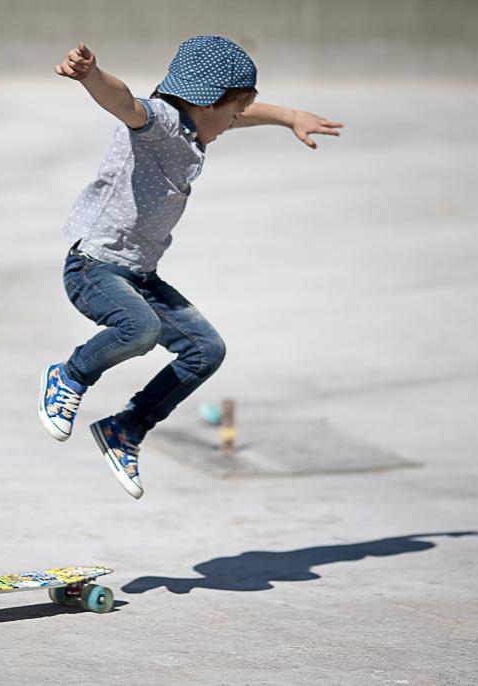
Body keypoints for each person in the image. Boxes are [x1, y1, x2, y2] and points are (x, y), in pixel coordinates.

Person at [38, 35, 343, 499]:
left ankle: (127, 427)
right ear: (206, 104)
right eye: (235, 113)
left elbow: (234, 114)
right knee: (140, 329)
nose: (236, 123)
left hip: (139, 276)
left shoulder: (195, 125)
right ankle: (70, 375)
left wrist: (289, 116)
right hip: (93, 268)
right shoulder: (159, 121)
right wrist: (91, 76)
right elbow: (124, 102)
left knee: (206, 350)